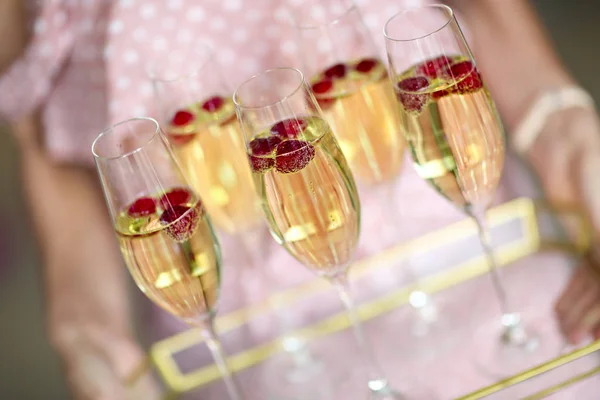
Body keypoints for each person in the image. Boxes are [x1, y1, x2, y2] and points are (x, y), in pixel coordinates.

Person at [1, 0, 600, 398]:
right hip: (244, 324)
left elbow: (488, 13)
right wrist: (87, 329)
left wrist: (575, 143)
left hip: (466, 240)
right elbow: (39, 122)